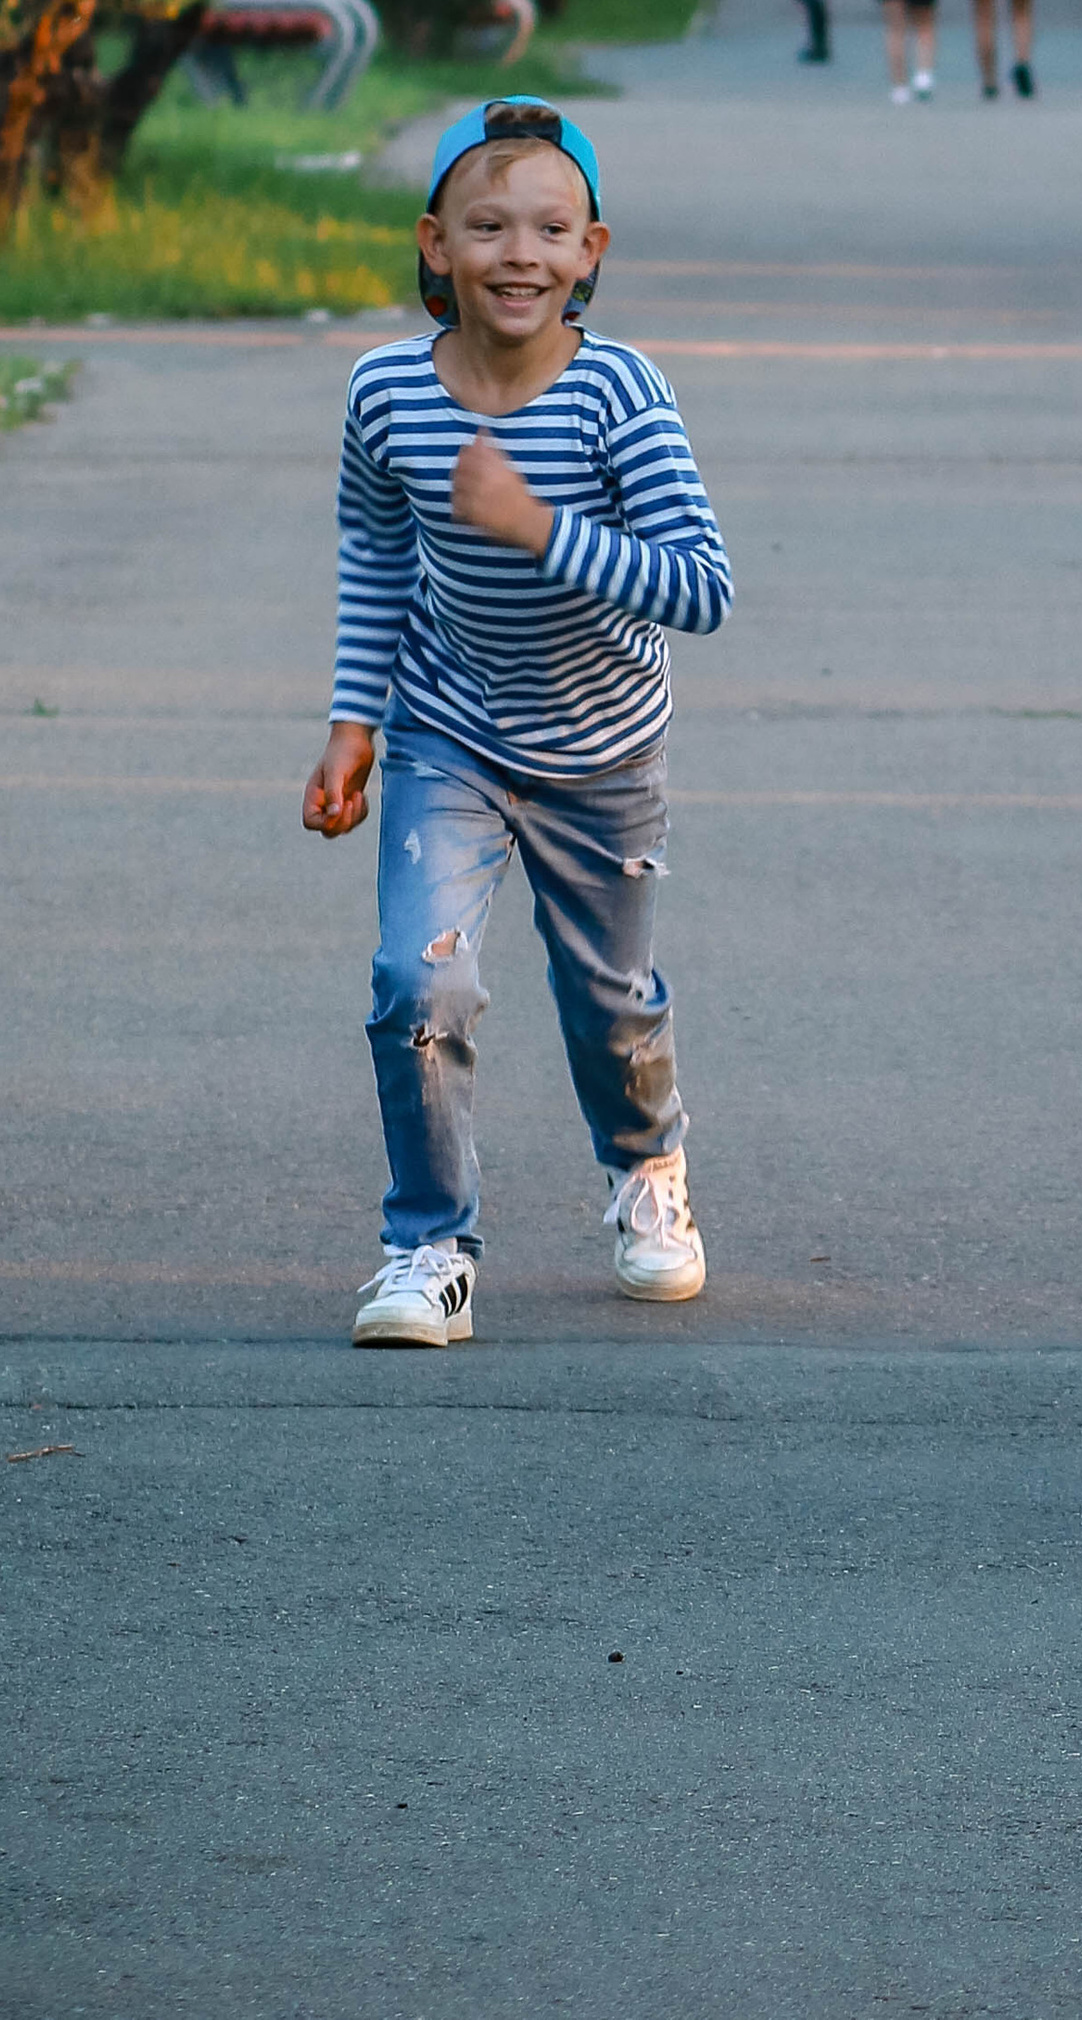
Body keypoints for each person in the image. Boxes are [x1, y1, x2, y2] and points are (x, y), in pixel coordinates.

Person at [305, 97, 735, 1344]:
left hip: (605, 752)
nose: (519, 253)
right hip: (448, 733)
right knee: (414, 981)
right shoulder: (386, 389)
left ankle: (648, 1172)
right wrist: (353, 722)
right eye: (487, 225)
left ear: (591, 250)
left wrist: (538, 525)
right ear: (434, 243)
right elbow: (376, 549)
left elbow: (702, 585)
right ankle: (427, 1245)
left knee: (609, 1002)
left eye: (550, 228)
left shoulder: (619, 396)